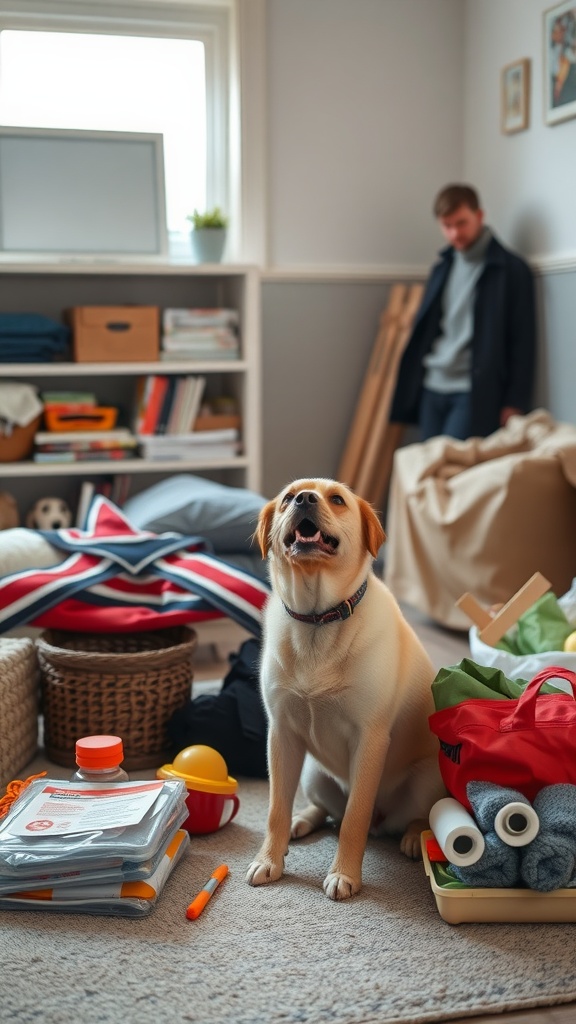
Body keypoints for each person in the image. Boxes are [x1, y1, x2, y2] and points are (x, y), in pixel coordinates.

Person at [390, 183, 536, 440]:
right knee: (429, 472)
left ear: (479, 216)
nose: (455, 233)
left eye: (462, 223)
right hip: (432, 387)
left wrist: (515, 401)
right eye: (447, 226)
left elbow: (523, 341)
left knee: (457, 475)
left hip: (474, 393)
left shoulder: (511, 270)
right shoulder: (441, 268)